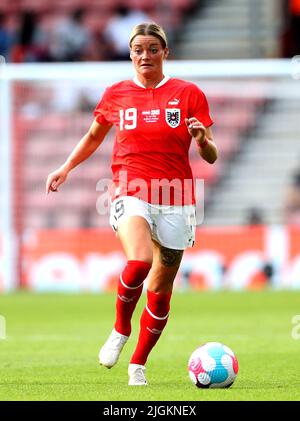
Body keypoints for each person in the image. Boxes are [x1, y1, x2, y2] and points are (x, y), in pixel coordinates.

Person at [46, 22, 217, 386]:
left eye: (153, 48)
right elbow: (93, 137)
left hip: (176, 195)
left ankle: (138, 363)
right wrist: (65, 167)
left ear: (165, 52)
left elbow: (212, 155)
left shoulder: (188, 94)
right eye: (138, 49)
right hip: (129, 188)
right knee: (138, 260)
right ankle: (120, 329)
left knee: (160, 288)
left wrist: (202, 140)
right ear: (130, 54)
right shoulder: (116, 94)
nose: (145, 55)